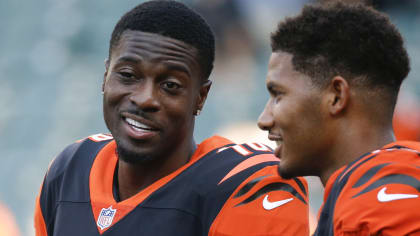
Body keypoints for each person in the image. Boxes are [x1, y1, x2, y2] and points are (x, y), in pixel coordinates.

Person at [34, 1, 309, 235]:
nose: (145, 99)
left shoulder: (244, 183)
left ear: (200, 97)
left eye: (170, 86)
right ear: (106, 76)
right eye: (128, 76)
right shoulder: (70, 170)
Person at [258, 2, 420, 236]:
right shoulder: (354, 197)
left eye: (278, 95)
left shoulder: (379, 202)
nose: (264, 119)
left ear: (336, 96)